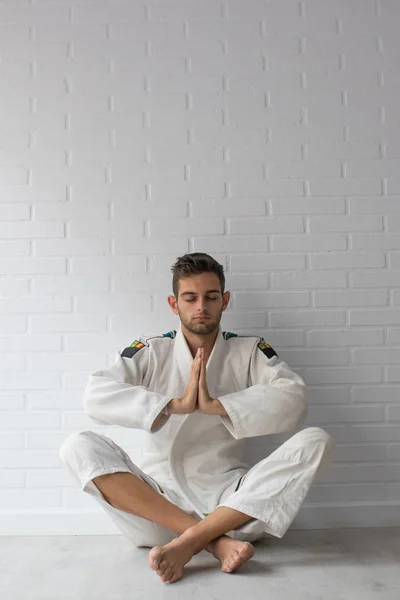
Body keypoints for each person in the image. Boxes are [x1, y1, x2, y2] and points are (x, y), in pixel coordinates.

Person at [59, 252, 334, 585]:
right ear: (174, 304)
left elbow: (294, 398)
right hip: (156, 506)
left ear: (225, 301)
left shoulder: (249, 350)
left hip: (230, 505)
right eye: (190, 298)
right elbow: (96, 395)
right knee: (77, 446)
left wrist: (218, 406)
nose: (200, 306)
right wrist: (172, 405)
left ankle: (193, 541)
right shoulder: (151, 351)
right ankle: (214, 543)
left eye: (211, 297)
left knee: (316, 440)